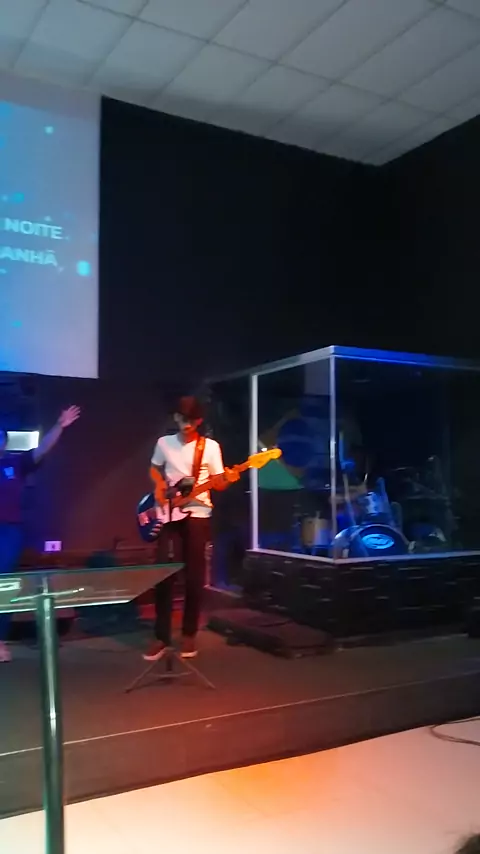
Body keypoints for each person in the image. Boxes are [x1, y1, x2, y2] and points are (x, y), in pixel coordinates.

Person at [143, 396, 238, 662]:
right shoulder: (164, 443)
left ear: (199, 421)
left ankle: (189, 633)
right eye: (182, 419)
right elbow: (154, 469)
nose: (186, 424)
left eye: (192, 420)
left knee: (195, 576)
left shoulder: (210, 447)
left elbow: (219, 483)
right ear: (176, 417)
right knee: (163, 573)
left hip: (198, 513)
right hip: (169, 511)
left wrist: (228, 479)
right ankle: (161, 636)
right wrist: (159, 485)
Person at [0, 406, 81, 662]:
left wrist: (60, 425)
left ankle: (0, 641)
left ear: (4, 443)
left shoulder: (15, 464)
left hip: (8, 530)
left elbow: (43, 449)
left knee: (4, 584)